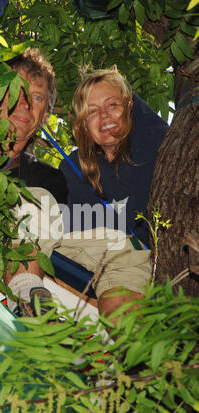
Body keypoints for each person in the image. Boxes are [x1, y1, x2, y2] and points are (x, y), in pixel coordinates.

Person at [58, 66, 169, 318]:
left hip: (146, 266)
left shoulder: (153, 144)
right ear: (83, 125)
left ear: (129, 108)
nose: (105, 117)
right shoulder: (73, 168)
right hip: (101, 262)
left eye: (113, 105)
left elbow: (153, 124)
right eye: (92, 112)